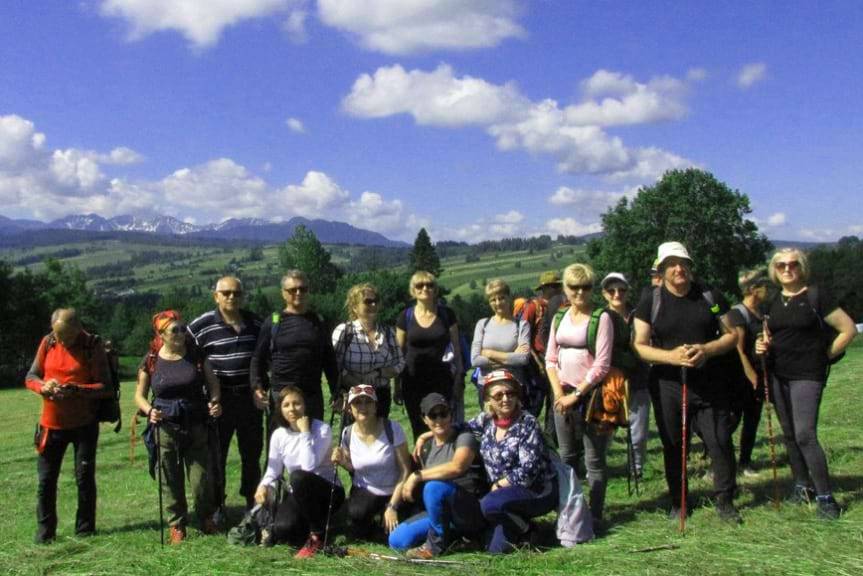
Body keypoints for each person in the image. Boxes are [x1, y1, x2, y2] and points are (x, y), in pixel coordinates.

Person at [632, 242, 741, 523]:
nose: (678, 269)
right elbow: (640, 346)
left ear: (690, 267)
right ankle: (679, 501)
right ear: (662, 270)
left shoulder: (710, 296)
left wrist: (707, 350)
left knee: (718, 440)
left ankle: (725, 499)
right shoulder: (651, 301)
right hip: (668, 384)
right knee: (673, 445)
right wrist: (670, 356)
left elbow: (731, 334)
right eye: (671, 264)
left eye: (683, 263)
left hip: (709, 381)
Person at [756, 248, 857, 519]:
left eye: (793, 264)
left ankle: (826, 497)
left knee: (805, 435)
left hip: (807, 375)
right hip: (779, 374)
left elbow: (848, 329)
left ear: (802, 268)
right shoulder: (773, 300)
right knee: (789, 434)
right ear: (774, 270)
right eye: (780, 265)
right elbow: (769, 334)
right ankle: (803, 486)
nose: (787, 269)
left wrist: (825, 355)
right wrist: (762, 344)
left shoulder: (816, 296)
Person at [25, 308, 113, 544]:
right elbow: (31, 376)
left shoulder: (91, 345)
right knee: (46, 480)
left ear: (78, 328)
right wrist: (43, 387)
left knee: (84, 477)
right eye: (58, 335)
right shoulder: (48, 342)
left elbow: (105, 387)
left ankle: (85, 529)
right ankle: (45, 533)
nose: (62, 341)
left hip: (84, 424)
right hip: (51, 425)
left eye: (67, 336)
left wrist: (77, 389)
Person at [134, 310, 223, 543]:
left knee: (201, 477)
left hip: (196, 423)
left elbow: (213, 385)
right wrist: (149, 410)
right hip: (165, 426)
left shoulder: (197, 355)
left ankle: (206, 517)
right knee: (169, 476)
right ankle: (177, 524)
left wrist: (214, 402)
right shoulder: (151, 360)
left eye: (183, 329)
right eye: (175, 330)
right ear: (161, 334)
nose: (181, 333)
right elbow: (139, 396)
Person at [188, 276, 263, 510]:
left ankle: (253, 500)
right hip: (219, 401)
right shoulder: (201, 325)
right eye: (227, 293)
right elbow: (184, 353)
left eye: (237, 293)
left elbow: (264, 359)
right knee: (216, 455)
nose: (232, 297)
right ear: (216, 296)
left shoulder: (256, 323)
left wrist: (261, 386)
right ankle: (217, 504)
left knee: (251, 454)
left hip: (249, 399)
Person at [546, 263, 614, 521]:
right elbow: (550, 359)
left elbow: (602, 364)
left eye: (586, 287)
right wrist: (558, 394)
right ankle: (570, 512)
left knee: (594, 459)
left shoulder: (602, 318)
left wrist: (577, 394)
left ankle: (595, 515)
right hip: (561, 396)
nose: (580, 293)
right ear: (565, 289)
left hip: (592, 398)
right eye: (574, 287)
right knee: (567, 457)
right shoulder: (559, 318)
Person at [467, 370, 557, 554]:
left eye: (511, 393)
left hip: (537, 490)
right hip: (503, 494)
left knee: (487, 504)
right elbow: (458, 429)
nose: (506, 399)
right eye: (499, 395)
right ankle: (517, 522)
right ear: (488, 399)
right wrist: (426, 435)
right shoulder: (485, 421)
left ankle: (527, 530)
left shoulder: (527, 423)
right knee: (495, 550)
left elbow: (529, 469)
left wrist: (499, 484)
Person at [254, 386, 344, 558]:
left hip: (328, 492)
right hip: (299, 494)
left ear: (305, 405)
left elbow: (308, 466)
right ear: (280, 409)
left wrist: (304, 433)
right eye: (286, 405)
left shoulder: (322, 430)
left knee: (298, 477)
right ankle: (320, 523)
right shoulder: (279, 435)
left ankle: (318, 535)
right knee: (283, 530)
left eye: (297, 403)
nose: (292, 409)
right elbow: (273, 470)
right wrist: (264, 485)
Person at [250, 270, 339, 423]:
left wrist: (336, 392)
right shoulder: (273, 321)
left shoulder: (318, 321)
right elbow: (258, 358)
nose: (298, 293)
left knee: (311, 443)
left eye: (303, 289)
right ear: (283, 293)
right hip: (282, 397)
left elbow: (329, 360)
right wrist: (257, 387)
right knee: (282, 443)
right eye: (292, 290)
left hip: (311, 397)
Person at [332, 385, 412, 540]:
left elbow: (405, 470)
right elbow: (354, 468)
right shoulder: (347, 433)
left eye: (368, 402)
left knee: (393, 536)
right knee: (357, 521)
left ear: (376, 406)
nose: (363, 407)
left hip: (393, 492)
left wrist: (392, 506)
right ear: (350, 409)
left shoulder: (392, 428)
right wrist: (342, 461)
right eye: (357, 403)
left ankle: (385, 516)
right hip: (365, 491)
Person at [396, 271, 463, 439]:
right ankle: (424, 464)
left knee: (444, 428)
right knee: (419, 429)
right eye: (420, 285)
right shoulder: (405, 317)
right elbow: (398, 353)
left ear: (435, 289)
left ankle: (446, 463)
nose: (425, 288)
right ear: (413, 290)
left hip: (442, 381)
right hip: (412, 383)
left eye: (430, 285)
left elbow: (456, 349)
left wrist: (459, 380)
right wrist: (396, 386)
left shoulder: (447, 315)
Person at [600, 272, 650, 479]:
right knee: (606, 428)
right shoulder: (600, 317)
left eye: (621, 289)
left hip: (639, 378)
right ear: (604, 294)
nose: (617, 294)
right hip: (609, 381)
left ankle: (636, 468)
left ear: (629, 291)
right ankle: (599, 467)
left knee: (638, 430)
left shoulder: (640, 315)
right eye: (611, 290)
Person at [332, 283, 405, 423]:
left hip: (381, 396)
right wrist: (356, 383)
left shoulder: (388, 332)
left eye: (375, 301)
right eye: (367, 301)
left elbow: (400, 363)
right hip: (354, 397)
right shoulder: (344, 332)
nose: (373, 305)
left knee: (379, 439)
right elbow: (334, 365)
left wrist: (380, 372)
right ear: (354, 307)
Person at [725, 268, 770, 477]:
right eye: (764, 286)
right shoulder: (737, 314)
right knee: (732, 421)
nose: (767, 290)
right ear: (753, 289)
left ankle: (745, 462)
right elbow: (739, 349)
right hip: (740, 378)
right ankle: (719, 463)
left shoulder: (761, 314)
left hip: (760, 374)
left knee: (753, 419)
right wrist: (751, 375)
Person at [471, 279, 531, 410]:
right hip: (487, 388)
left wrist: (490, 353)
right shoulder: (482, 324)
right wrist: (511, 356)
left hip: (513, 387)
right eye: (493, 300)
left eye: (501, 298)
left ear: (509, 298)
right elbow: (475, 360)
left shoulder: (521, 325)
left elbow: (523, 359)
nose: (498, 303)